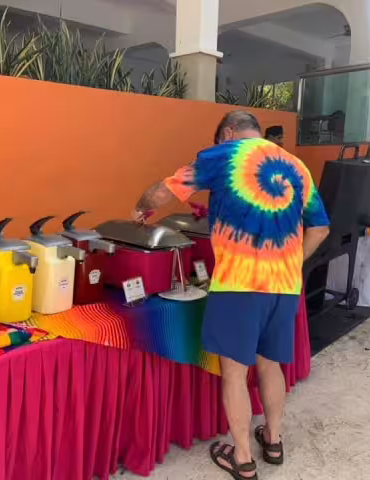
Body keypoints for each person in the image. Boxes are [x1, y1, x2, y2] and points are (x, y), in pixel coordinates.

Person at [131, 111, 330, 480]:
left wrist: (142, 207)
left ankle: (242, 458)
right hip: (284, 286)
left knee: (235, 374)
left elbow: (162, 192)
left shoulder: (223, 155)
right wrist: (289, 263)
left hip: (240, 284)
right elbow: (320, 229)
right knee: (270, 365)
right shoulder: (296, 166)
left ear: (227, 133)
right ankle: (273, 440)